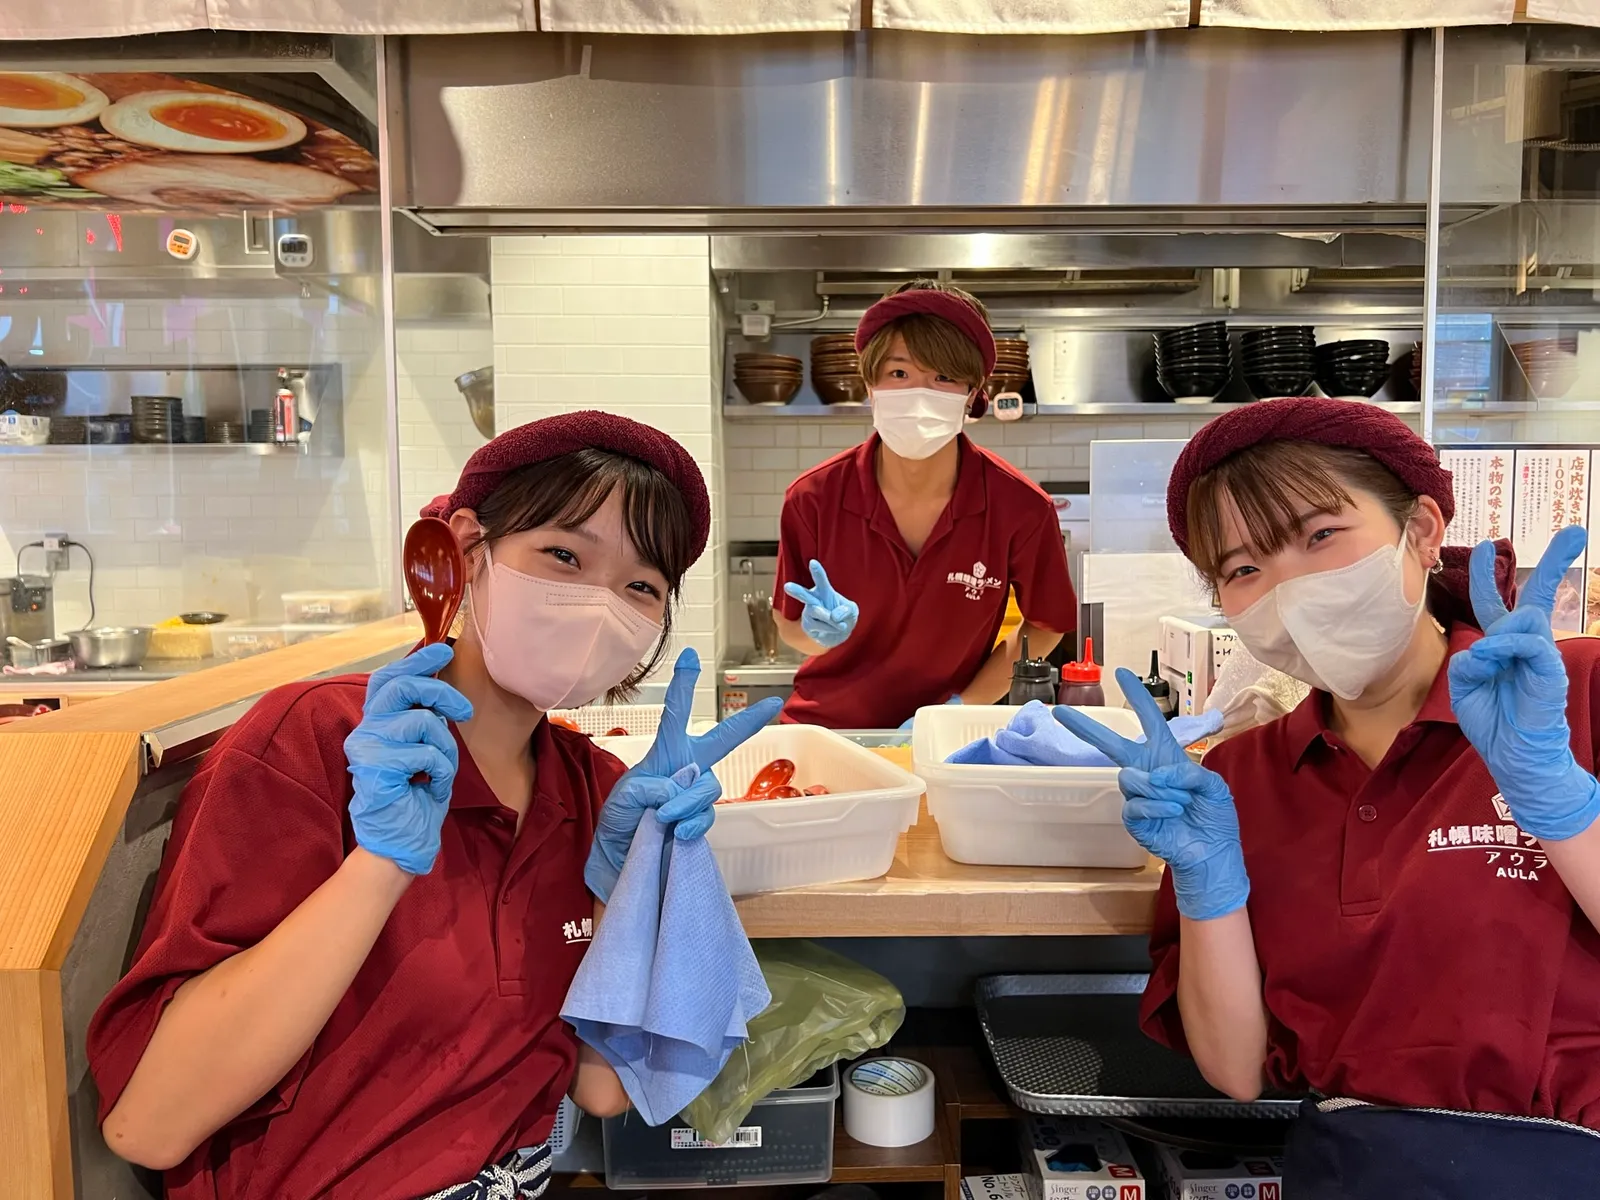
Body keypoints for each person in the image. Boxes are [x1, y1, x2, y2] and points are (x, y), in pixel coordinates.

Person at [86, 411, 780, 1200]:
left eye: (640, 587)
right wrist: (378, 865)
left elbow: (602, 1090)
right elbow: (150, 1124)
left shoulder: (592, 789)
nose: (598, 606)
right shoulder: (319, 741)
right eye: (563, 554)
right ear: (465, 550)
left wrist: (625, 890)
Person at [1055, 398, 1600, 1198]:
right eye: (1244, 570)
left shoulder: (1574, 693)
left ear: (1419, 531)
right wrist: (1209, 883)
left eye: (1319, 537)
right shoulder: (1240, 777)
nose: (1290, 588)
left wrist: (1560, 802)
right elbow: (1237, 1071)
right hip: (1354, 1170)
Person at [773, 280, 1076, 729]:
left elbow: (1047, 624)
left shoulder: (1021, 507)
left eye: (943, 377)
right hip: (826, 729)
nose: (919, 393)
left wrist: (961, 709)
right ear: (869, 385)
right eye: (899, 374)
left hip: (949, 739)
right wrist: (817, 634)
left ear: (974, 394)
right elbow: (788, 625)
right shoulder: (813, 498)